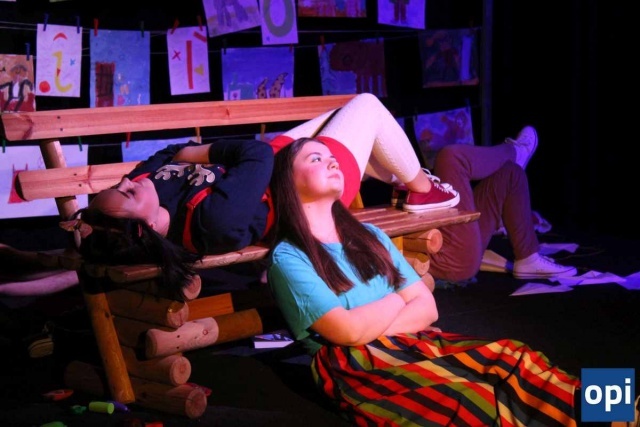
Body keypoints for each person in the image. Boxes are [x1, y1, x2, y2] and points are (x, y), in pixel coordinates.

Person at [267, 135, 581, 426]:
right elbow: (346, 331)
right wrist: (396, 299)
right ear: (288, 182)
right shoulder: (289, 257)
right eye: (316, 159)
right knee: (473, 399)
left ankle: (611, 407)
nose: (332, 162)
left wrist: (369, 323)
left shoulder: (370, 236)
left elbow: (427, 308)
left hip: (415, 340)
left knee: (514, 357)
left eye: (332, 157)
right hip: (359, 363)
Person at [62, 137, 274, 300]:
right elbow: (258, 152)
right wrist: (192, 154)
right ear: (147, 227)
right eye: (128, 193)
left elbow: (173, 149)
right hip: (283, 181)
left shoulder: (143, 182)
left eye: (116, 187)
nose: (126, 181)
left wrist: (187, 152)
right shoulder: (211, 222)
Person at [393, 126, 578, 281]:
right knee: (451, 158)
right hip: (445, 256)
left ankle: (528, 257)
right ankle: (515, 152)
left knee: (510, 174)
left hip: (437, 237)